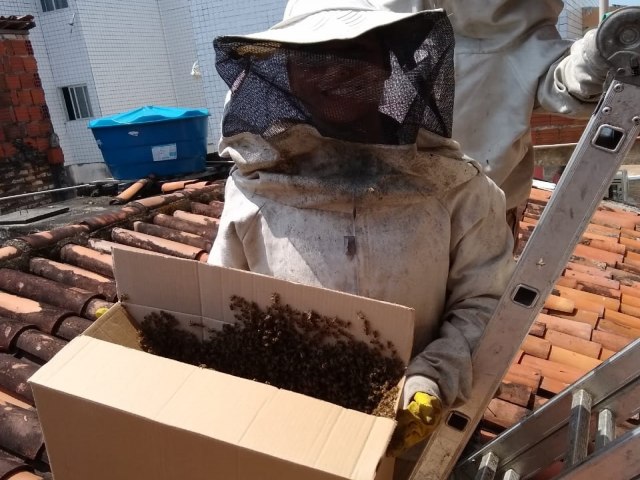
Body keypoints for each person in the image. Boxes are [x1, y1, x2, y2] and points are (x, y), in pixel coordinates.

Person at [209, 0, 515, 477]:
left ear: (384, 61)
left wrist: (432, 378)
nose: (335, 70)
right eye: (313, 56)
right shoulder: (254, 184)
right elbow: (220, 299)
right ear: (286, 69)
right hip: (291, 429)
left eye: (355, 49)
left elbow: (486, 303)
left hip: (421, 438)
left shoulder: (458, 188)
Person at [375, 0, 610, 236]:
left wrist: (593, 61)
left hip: (482, 209)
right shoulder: (383, 22)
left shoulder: (517, 20)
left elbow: (557, 78)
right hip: (384, 204)